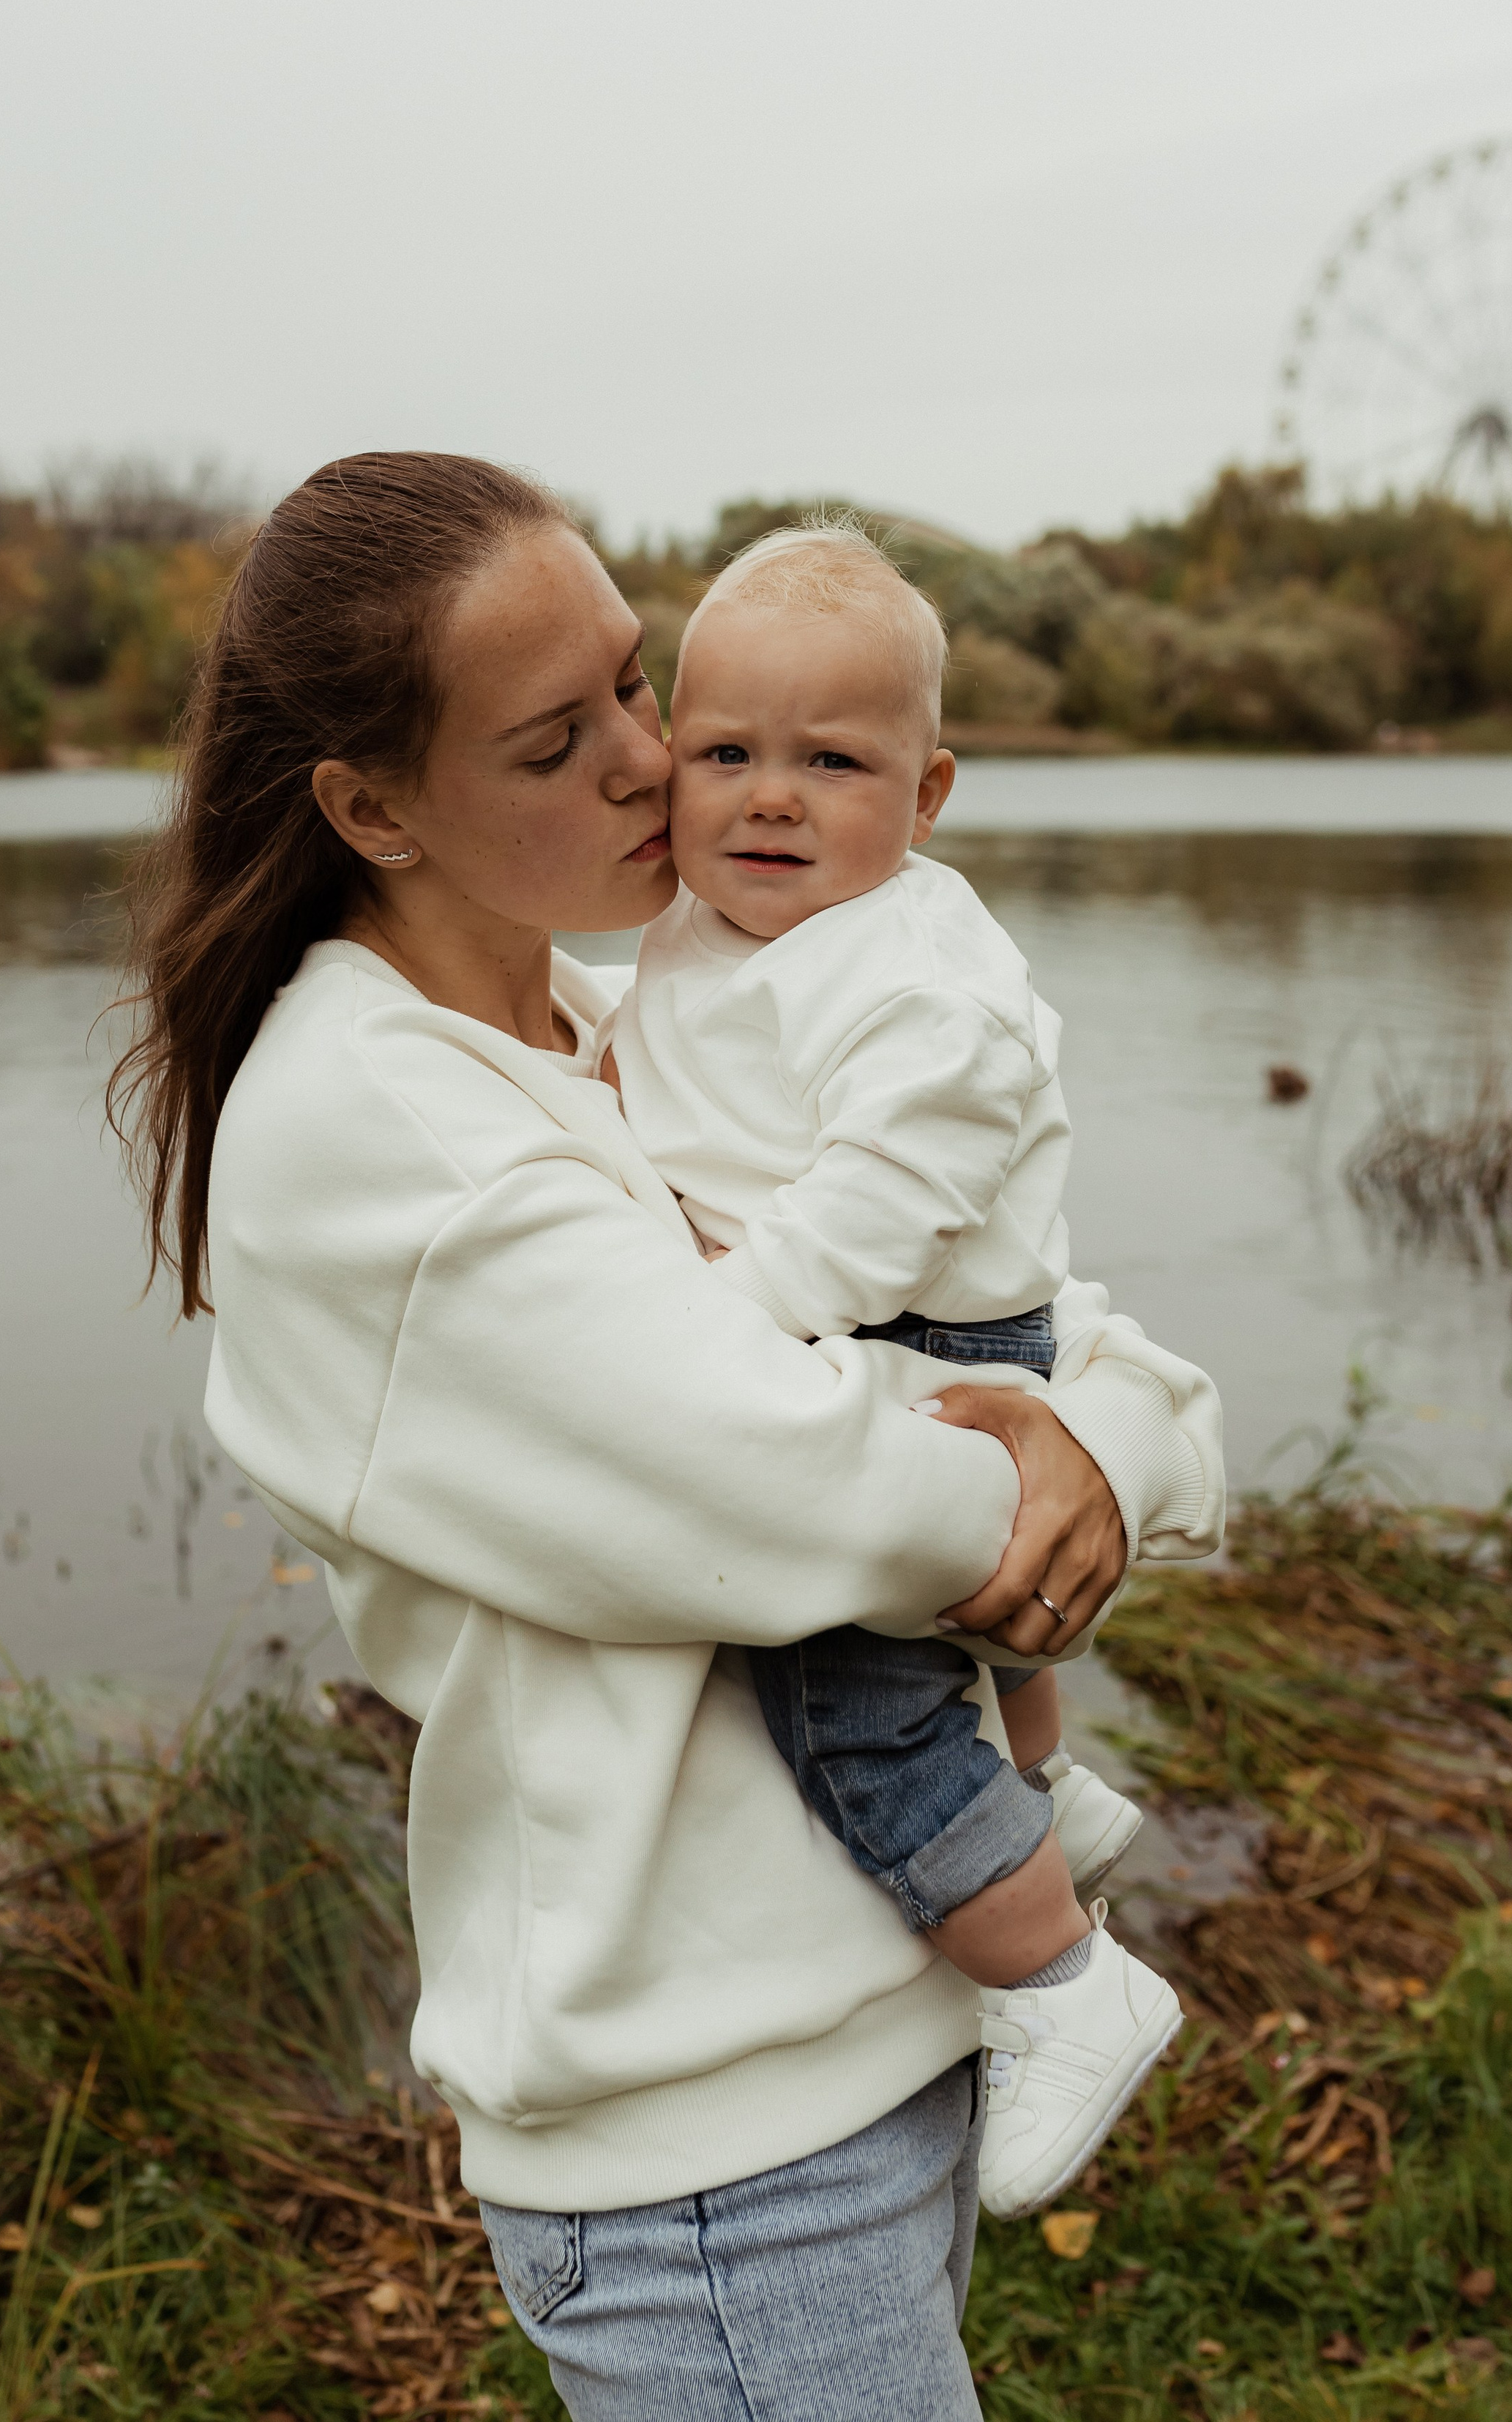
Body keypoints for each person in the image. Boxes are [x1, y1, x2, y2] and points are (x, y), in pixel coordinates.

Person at [111, 452, 1225, 2422]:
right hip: (710, 2142)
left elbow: (1007, 1300)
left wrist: (1116, 1443)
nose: (656, 762)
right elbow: (807, 1485)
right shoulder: (383, 1135)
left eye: (636, 682)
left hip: (878, 2029)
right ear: (374, 810)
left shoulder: (614, 1017)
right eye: (560, 741)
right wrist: (1080, 1459)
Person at [605, 520, 1194, 2222]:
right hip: (879, 1318)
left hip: (917, 1335)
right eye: (726, 753)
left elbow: (880, 1201)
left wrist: (729, 1310)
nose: (768, 800)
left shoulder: (918, 978)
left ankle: (1064, 1983)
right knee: (947, 1656)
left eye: (832, 763)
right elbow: (679, 1052)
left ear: (926, 796)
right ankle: (1039, 1792)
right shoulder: (719, 925)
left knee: (847, 1705)